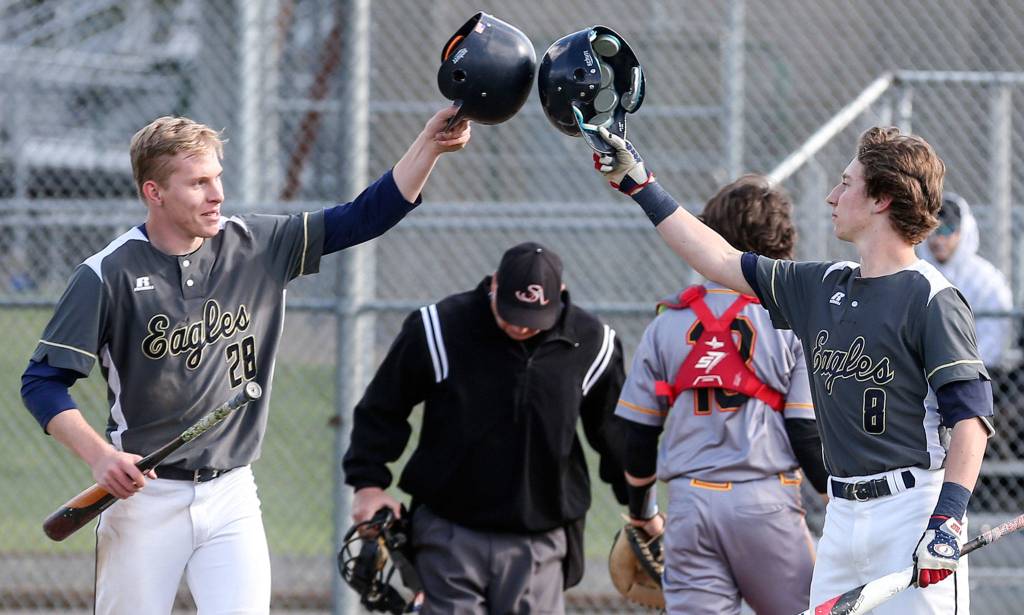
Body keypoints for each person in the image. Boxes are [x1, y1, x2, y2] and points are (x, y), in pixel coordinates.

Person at [19, 104, 471, 615]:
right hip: (144, 499)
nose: (217, 196)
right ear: (155, 192)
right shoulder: (107, 274)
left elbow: (367, 215)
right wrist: (101, 456)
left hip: (232, 493)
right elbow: (42, 382)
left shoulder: (257, 244)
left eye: (217, 178)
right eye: (198, 183)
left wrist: (429, 146)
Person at [591, 125, 993, 614]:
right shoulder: (821, 284)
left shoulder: (932, 296)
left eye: (847, 183)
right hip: (842, 515)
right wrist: (640, 184)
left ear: (882, 199)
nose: (832, 195)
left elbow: (970, 418)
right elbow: (719, 259)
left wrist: (948, 518)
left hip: (911, 512)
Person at [342, 241, 628, 615]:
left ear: (560, 297)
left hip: (540, 537)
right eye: (510, 311)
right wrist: (368, 484)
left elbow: (617, 436)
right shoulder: (440, 327)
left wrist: (641, 510)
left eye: (532, 316)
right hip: (448, 531)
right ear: (493, 285)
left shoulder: (592, 344)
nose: (520, 325)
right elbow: (383, 407)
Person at [615, 175, 827, 615]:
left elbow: (635, 433)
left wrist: (642, 513)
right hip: (764, 502)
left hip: (690, 506)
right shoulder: (790, 320)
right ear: (782, 240)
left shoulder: (667, 321)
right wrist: (838, 500)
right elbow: (805, 431)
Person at [920, 192, 1013, 369]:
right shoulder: (916, 273)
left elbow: (993, 340)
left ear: (963, 232)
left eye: (948, 230)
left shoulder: (985, 279)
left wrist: (959, 370)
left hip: (975, 373)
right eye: (932, 230)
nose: (938, 239)